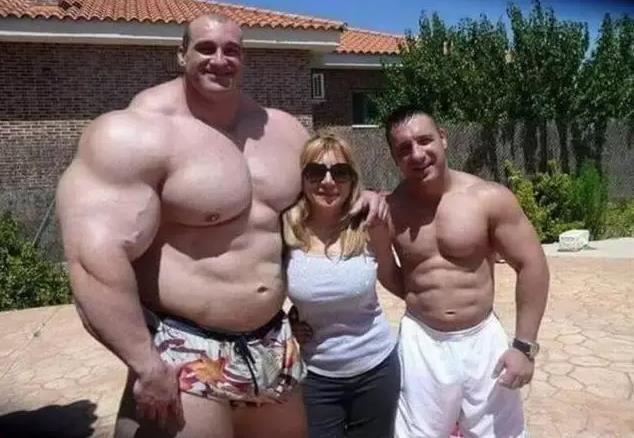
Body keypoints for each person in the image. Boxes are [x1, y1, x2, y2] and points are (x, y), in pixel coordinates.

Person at [56, 14, 384, 438]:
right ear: (181, 55)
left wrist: (364, 195)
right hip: (186, 347)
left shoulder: (281, 130)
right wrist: (145, 363)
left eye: (232, 50)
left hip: (272, 345)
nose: (220, 59)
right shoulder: (133, 134)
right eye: (206, 48)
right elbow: (93, 258)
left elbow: (325, 188)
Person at [382, 106, 549, 438]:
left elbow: (532, 264)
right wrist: (422, 298)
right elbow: (386, 271)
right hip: (422, 342)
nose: (417, 154)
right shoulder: (390, 209)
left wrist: (524, 347)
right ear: (395, 158)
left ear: (443, 138)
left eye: (425, 140)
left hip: (481, 340)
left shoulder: (488, 198)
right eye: (404, 148)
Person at [283, 134, 402, 438]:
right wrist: (285, 324)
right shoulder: (285, 230)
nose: (328, 181)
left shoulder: (370, 224)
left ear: (352, 179)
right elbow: (262, 288)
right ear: (301, 178)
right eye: (315, 172)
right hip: (316, 376)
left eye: (340, 172)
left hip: (376, 369)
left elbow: (391, 275)